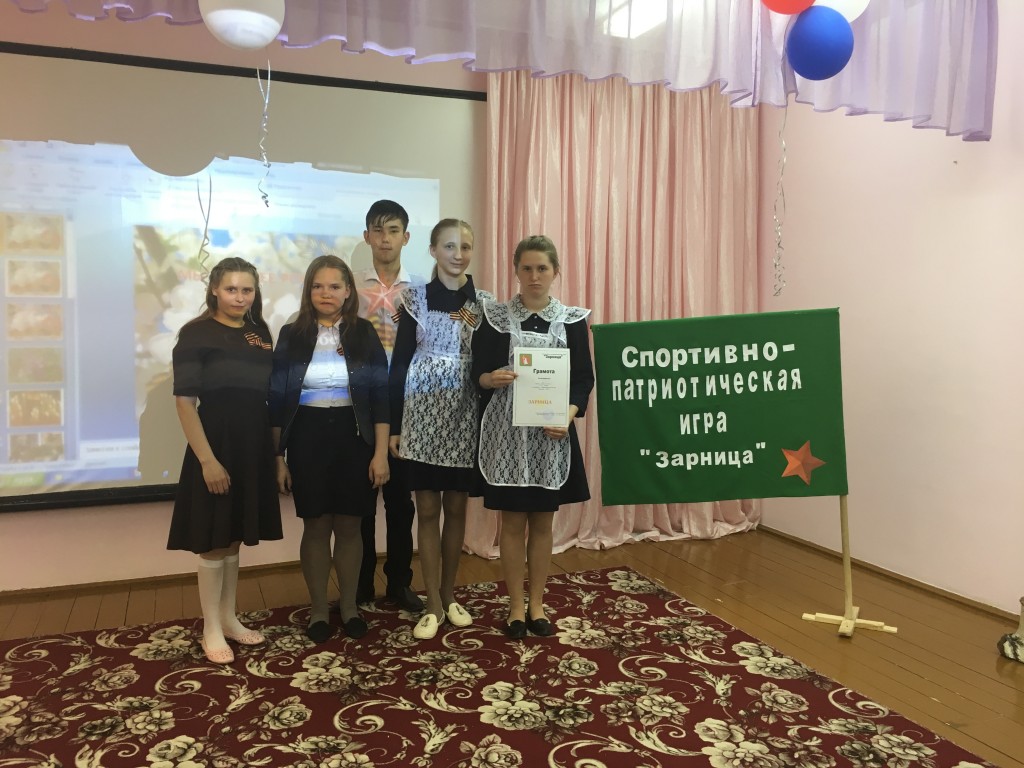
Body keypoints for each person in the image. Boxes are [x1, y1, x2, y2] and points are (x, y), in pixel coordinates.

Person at [472, 235, 594, 640]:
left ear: (555, 271)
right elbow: (477, 373)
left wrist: (568, 414)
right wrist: (490, 378)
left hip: (551, 435)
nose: (534, 276)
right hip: (506, 436)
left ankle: (537, 603)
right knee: (510, 523)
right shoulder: (495, 317)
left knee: (543, 523)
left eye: (542, 268)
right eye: (527, 268)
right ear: (516, 271)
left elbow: (583, 380)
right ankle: (514, 606)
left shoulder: (572, 321)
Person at [167, 256, 282, 664]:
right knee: (214, 542)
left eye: (247, 290)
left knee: (233, 538)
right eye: (231, 289)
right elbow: (185, 404)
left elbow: (268, 395)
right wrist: (207, 461)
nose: (239, 297)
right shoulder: (195, 334)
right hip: (214, 447)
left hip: (252, 447)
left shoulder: (259, 333)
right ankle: (210, 628)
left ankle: (229, 618)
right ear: (215, 289)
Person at [270, 255, 390, 642]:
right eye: (318, 286)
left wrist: (380, 453)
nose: (326, 293)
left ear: (348, 291)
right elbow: (277, 399)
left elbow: (380, 397)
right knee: (317, 525)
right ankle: (319, 609)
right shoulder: (292, 334)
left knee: (351, 526)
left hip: (355, 439)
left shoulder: (364, 333)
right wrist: (278, 457)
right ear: (308, 290)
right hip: (307, 437)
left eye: (334, 286)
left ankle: (350, 606)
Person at [390, 218, 495, 639]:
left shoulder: (484, 304)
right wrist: (395, 425)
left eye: (465, 246)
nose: (458, 254)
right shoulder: (414, 299)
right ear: (433, 250)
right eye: (449, 246)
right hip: (421, 416)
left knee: (456, 508)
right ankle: (431, 600)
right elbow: (399, 363)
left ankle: (450, 594)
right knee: (428, 509)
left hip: (465, 416)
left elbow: (489, 362)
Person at [356, 200, 424, 612]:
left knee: (400, 503)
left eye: (393, 230)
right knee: (361, 504)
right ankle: (360, 584)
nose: (385, 239)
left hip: (405, 405)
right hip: (360, 405)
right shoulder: (349, 287)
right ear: (367, 236)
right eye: (378, 231)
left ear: (406, 237)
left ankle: (399, 582)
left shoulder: (420, 291)